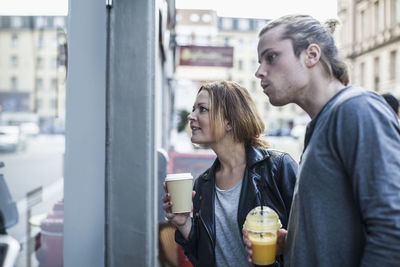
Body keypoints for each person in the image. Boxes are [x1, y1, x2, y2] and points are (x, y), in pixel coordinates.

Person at [243, 14, 400, 267]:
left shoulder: (357, 110)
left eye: (271, 57)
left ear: (312, 55)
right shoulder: (323, 122)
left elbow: (393, 229)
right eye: (260, 61)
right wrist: (293, 242)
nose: (259, 71)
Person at [162, 81, 298, 267]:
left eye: (202, 109)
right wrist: (184, 223)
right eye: (194, 109)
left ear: (229, 121)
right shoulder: (203, 184)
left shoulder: (277, 168)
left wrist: (286, 242)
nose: (191, 116)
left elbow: (311, 236)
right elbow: (202, 259)